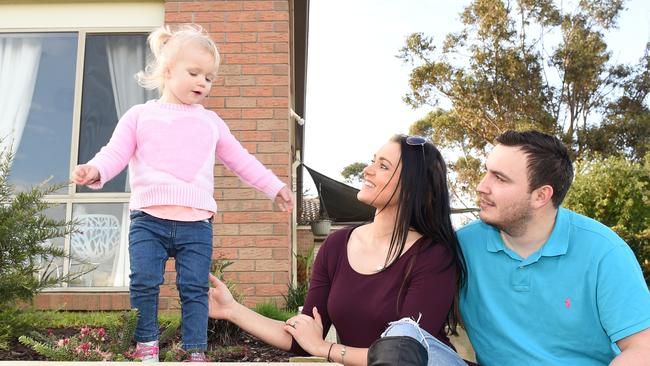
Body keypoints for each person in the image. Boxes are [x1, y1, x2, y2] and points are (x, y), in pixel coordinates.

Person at [71, 24, 293, 363]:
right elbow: (113, 153)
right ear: (167, 70)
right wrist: (95, 170)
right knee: (144, 281)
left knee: (193, 289)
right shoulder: (140, 116)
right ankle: (147, 344)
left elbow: (242, 161)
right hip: (148, 220)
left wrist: (274, 186)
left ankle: (194, 351)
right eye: (194, 73)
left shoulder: (211, 123)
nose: (202, 82)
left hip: (196, 225)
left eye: (209, 77)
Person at [208, 134, 470, 366]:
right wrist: (232, 309)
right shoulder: (336, 246)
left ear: (413, 187)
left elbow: (404, 355)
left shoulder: (433, 255)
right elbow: (304, 338)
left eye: (383, 166)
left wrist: (326, 349)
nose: (368, 170)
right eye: (373, 160)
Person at [458, 130, 650, 365]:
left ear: (541, 196)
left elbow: (642, 349)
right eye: (486, 172)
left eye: (500, 178)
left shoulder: (604, 252)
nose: (481, 186)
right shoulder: (461, 247)